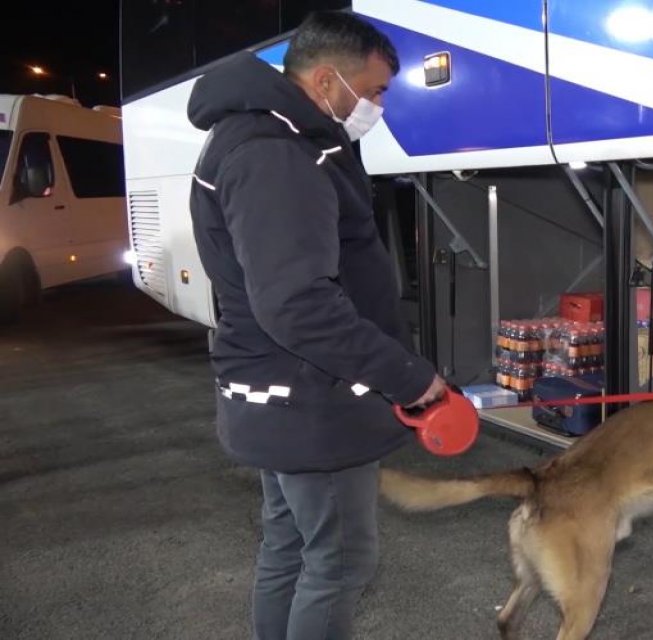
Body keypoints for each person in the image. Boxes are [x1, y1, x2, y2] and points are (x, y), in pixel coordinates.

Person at [185, 11, 445, 639]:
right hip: (310, 403)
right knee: (338, 561)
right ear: (329, 82)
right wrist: (410, 379)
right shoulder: (277, 154)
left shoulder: (272, 137)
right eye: (375, 90)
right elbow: (297, 304)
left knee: (290, 546)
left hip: (279, 396)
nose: (378, 106)